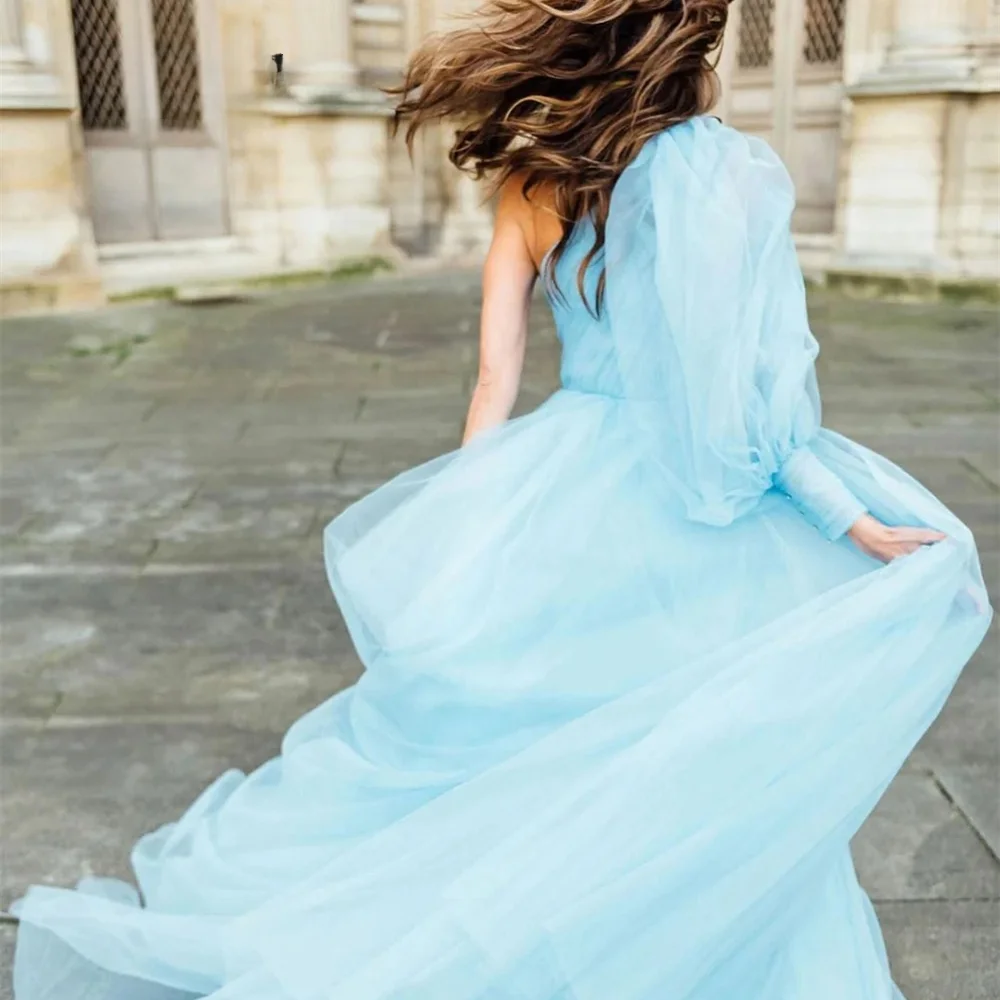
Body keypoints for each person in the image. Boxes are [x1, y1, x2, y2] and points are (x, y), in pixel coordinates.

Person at [10, 0, 991, 997]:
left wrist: (472, 523)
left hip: (562, 482)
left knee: (505, 746)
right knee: (688, 773)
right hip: (691, 509)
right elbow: (743, 403)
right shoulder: (728, 180)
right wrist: (847, 519)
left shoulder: (532, 179)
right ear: (692, 55)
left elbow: (493, 381)